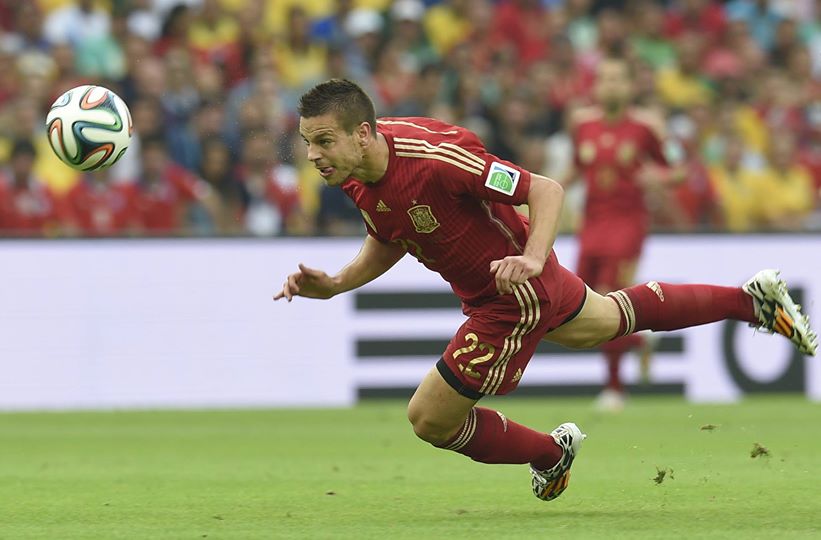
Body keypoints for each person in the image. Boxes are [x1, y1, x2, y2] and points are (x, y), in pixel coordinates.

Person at [274, 78, 817, 502]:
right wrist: (339, 282)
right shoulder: (353, 174)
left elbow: (546, 190)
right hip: (510, 286)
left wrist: (532, 259)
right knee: (608, 321)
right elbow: (390, 233)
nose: (314, 155)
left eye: (324, 141)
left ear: (363, 132)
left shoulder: (437, 159)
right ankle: (752, 301)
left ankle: (550, 454)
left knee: (429, 418)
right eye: (306, 144)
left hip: (511, 296)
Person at [563, 57, 686, 410]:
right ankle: (639, 340)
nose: (610, 85)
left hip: (628, 223)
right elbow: (575, 167)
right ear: (596, 85)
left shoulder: (648, 127)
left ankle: (615, 388)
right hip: (592, 223)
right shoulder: (581, 124)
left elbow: (678, 170)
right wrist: (543, 190)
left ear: (631, 86)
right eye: (605, 79)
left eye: (618, 79)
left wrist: (660, 178)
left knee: (609, 297)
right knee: (575, 305)